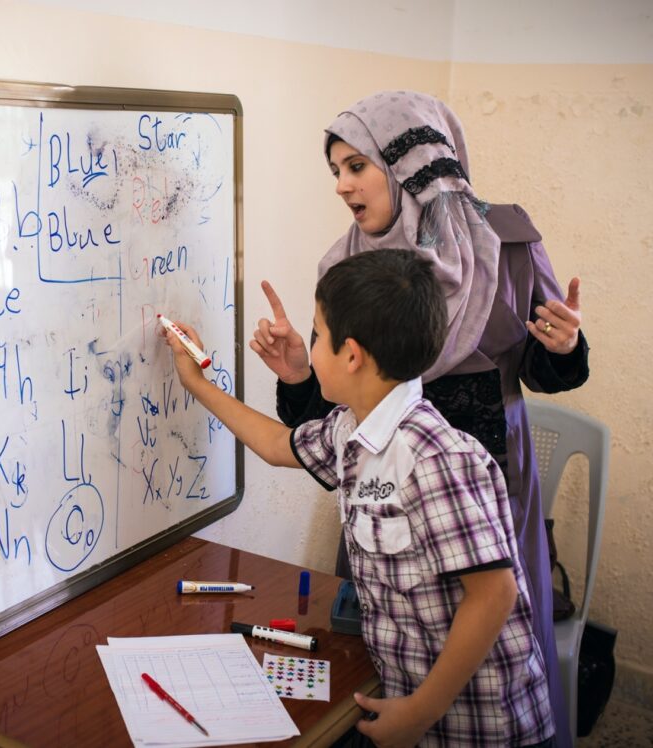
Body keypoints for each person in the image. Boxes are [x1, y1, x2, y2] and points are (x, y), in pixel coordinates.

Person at [249, 91, 587, 746]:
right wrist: (296, 372)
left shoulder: (508, 242)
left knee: (499, 652)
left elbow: (550, 373)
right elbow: (334, 417)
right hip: (384, 500)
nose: (342, 186)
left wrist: (564, 348)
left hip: (492, 482)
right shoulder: (347, 267)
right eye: (335, 171)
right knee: (386, 647)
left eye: (355, 166)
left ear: (412, 166)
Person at [165, 249, 554, 748]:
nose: (313, 349)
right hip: (408, 697)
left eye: (318, 337)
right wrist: (196, 382)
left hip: (478, 726)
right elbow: (276, 445)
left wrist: (419, 712)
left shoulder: (434, 457)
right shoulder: (352, 425)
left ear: (351, 355)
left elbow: (494, 594)